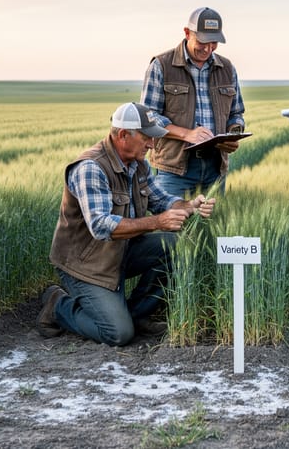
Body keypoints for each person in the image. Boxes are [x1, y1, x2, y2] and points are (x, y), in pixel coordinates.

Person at [37, 102, 216, 346]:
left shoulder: (139, 164)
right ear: (123, 135)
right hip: (87, 265)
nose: (152, 144)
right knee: (118, 334)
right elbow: (101, 226)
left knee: (176, 244)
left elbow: (161, 200)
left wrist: (190, 206)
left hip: (122, 253)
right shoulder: (90, 168)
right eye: (147, 137)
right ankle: (58, 305)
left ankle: (137, 314)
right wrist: (157, 222)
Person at [140, 7, 247, 198]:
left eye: (213, 43)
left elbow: (236, 113)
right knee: (173, 226)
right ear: (187, 33)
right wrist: (187, 134)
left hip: (215, 168)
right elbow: (148, 117)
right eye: (202, 42)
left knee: (213, 227)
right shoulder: (161, 65)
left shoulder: (228, 68)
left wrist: (233, 134)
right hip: (174, 169)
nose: (207, 48)